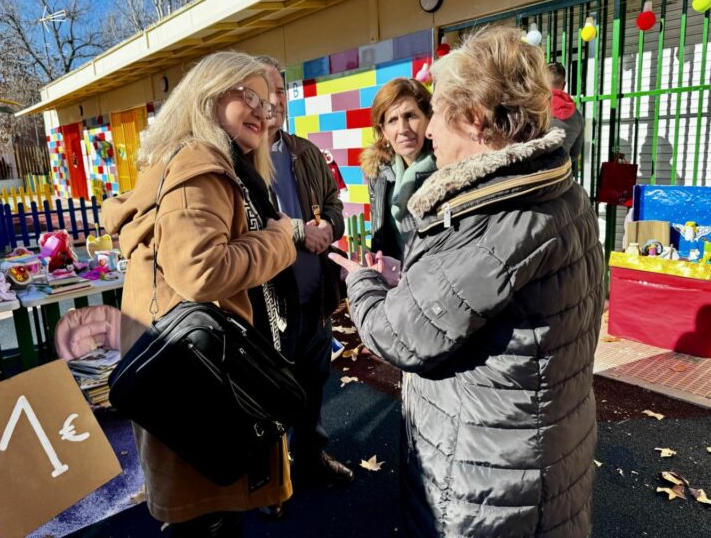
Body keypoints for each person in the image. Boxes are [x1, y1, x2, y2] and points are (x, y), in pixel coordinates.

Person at [330, 26, 604, 537]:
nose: (429, 129)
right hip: (536, 457)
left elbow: (400, 334)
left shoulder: (495, 217)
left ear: (475, 119)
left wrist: (363, 282)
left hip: (489, 482)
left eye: (435, 112)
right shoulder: (558, 190)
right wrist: (414, 277)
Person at [102, 51, 297, 538]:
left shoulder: (193, 161)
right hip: (200, 377)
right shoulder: (201, 164)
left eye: (269, 102)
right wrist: (280, 239)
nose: (263, 110)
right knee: (208, 519)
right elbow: (201, 270)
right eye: (249, 95)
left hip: (185, 375)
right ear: (208, 96)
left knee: (202, 515)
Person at [255, 55, 353, 491]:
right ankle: (269, 477)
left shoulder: (306, 152)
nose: (275, 100)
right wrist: (300, 232)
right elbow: (246, 228)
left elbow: (334, 203)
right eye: (264, 91)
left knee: (314, 384)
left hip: (314, 298)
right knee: (266, 393)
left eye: (280, 90)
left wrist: (330, 225)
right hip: (265, 306)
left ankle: (310, 457)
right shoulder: (235, 159)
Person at [361, 78, 435, 260]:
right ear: (384, 132)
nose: (403, 129)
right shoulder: (379, 175)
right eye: (392, 120)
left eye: (410, 116)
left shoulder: (447, 172)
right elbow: (380, 241)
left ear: (428, 119)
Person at [548, 62, 584, 176]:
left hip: (535, 178)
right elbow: (575, 153)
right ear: (564, 85)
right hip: (562, 176)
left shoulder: (534, 110)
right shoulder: (577, 116)